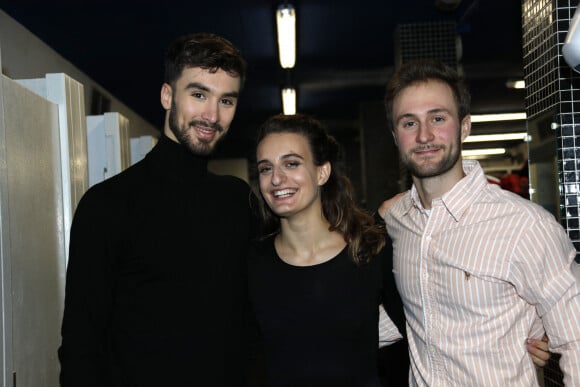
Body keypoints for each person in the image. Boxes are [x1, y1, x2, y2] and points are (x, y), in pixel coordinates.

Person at [58, 33, 255, 386]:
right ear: (168, 96)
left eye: (226, 100)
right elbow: (80, 346)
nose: (212, 114)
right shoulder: (107, 205)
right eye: (198, 95)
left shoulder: (238, 201)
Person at [380, 59, 580, 385]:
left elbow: (576, 339)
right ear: (395, 136)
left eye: (438, 118)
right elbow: (409, 313)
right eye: (409, 123)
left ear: (465, 126)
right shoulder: (398, 221)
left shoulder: (525, 227)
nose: (425, 135)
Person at [247, 113, 408, 387]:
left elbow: (420, 333)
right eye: (266, 168)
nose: (276, 178)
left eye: (291, 163)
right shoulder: (251, 264)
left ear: (322, 172)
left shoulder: (370, 253)